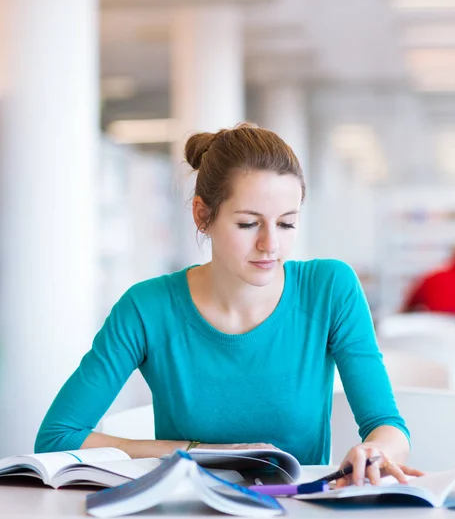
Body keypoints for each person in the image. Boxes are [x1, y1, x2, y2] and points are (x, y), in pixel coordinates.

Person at [36, 123, 419, 487]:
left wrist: (376, 450)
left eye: (286, 224)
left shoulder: (330, 288)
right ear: (203, 215)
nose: (271, 245)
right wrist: (200, 452)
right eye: (249, 223)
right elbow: (57, 437)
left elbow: (388, 425)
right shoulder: (147, 307)